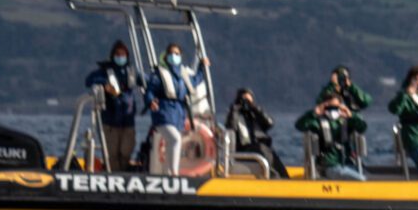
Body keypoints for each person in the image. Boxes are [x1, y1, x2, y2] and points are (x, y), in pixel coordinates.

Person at [144, 43, 209, 176]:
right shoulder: (159, 75)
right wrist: (150, 101)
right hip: (163, 113)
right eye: (172, 54)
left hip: (177, 114)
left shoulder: (183, 75)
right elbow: (150, 90)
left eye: (177, 54)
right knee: (175, 139)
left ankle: (167, 171)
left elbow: (196, 80)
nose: (174, 56)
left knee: (172, 142)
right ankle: (173, 173)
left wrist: (203, 66)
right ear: (167, 56)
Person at [85, 40, 140, 171]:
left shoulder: (131, 72)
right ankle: (114, 173)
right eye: (118, 54)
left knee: (126, 150)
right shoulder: (104, 72)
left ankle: (124, 172)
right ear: (113, 56)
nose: (120, 57)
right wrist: (105, 85)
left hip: (128, 120)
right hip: (110, 121)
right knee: (112, 153)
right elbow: (89, 80)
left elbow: (146, 81)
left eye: (123, 55)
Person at [295, 93, 368, 181]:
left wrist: (351, 116)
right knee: (360, 179)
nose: (332, 111)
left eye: (336, 107)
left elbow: (362, 127)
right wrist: (313, 113)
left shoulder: (346, 121)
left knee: (363, 175)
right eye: (329, 107)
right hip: (330, 165)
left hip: (348, 163)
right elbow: (300, 125)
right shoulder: (318, 122)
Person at [224, 88, 289, 178]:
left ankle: (284, 177)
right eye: (244, 99)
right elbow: (230, 127)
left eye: (249, 100)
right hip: (244, 149)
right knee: (261, 148)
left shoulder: (254, 114)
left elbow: (269, 123)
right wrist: (234, 110)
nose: (246, 102)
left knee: (270, 152)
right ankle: (274, 176)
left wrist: (254, 108)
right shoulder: (235, 114)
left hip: (259, 148)